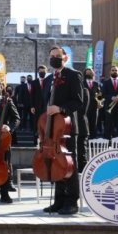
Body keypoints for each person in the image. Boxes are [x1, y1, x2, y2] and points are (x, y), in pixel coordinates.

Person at [40, 46, 83, 216]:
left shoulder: (73, 75)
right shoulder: (49, 78)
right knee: (57, 164)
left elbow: (78, 102)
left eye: (58, 56)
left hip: (67, 128)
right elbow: (44, 103)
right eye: (52, 56)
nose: (55, 59)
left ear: (64, 58)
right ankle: (59, 201)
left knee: (69, 164)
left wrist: (60, 108)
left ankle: (72, 201)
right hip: (52, 129)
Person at [101, 65, 118, 139]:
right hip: (109, 106)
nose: (114, 71)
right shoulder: (106, 82)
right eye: (113, 70)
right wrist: (111, 97)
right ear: (110, 72)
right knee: (109, 124)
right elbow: (103, 94)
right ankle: (108, 141)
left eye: (116, 70)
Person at [82, 68, 102, 140]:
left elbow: (99, 94)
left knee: (94, 124)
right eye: (87, 73)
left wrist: (100, 102)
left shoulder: (96, 83)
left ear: (93, 74)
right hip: (85, 107)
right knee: (85, 124)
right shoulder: (82, 83)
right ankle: (85, 139)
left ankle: (93, 139)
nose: (89, 74)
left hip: (94, 107)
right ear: (85, 74)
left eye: (90, 73)